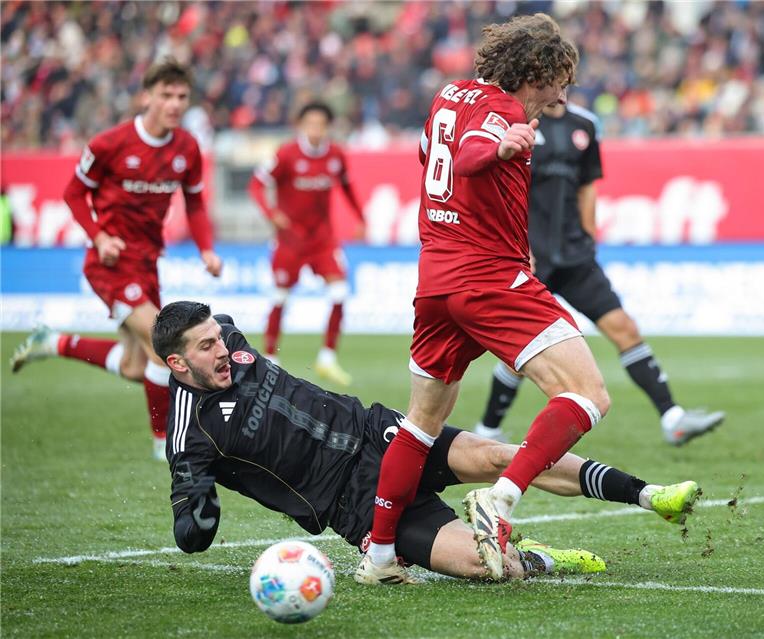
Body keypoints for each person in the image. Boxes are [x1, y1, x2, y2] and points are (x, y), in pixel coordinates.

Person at [359, 14, 694, 585]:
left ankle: (381, 556)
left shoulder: (448, 96)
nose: (562, 94)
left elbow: (432, 155)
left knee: (420, 424)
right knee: (587, 394)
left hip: (435, 281)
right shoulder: (505, 112)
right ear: (533, 72)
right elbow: (467, 157)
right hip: (487, 277)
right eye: (558, 80)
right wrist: (499, 147)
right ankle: (502, 499)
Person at [154, 300, 702, 583]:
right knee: (487, 568)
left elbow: (217, 326)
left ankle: (649, 495)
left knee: (499, 456)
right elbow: (191, 535)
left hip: (375, 431)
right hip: (350, 502)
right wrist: (197, 515)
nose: (222, 350)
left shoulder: (228, 337)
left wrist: (216, 330)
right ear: (177, 363)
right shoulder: (191, 436)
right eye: (205, 348)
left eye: (218, 337)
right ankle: (539, 559)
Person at [472, 101, 724, 446]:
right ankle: (487, 430)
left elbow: (587, 185)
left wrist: (589, 234)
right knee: (524, 353)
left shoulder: (584, 125)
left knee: (624, 328)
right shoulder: (521, 122)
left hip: (576, 257)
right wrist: (516, 245)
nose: (560, 86)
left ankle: (672, 417)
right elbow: (503, 189)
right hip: (532, 257)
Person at [10, 58, 222, 461]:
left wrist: (206, 248)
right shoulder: (110, 144)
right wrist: (99, 235)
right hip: (110, 262)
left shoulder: (187, 148)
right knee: (164, 345)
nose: (174, 104)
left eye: (181, 96)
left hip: (147, 263)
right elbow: (74, 193)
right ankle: (166, 444)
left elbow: (194, 202)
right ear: (147, 96)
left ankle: (53, 342)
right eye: (166, 95)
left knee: (133, 366)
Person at [248, 102, 365, 385]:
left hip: (322, 239)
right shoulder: (286, 153)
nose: (315, 129)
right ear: (301, 126)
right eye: (310, 123)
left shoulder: (335, 155)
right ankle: (270, 359)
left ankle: (327, 359)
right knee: (280, 297)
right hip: (290, 240)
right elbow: (256, 184)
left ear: (327, 127)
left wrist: (360, 217)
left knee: (339, 292)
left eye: (321, 124)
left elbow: (347, 186)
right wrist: (271, 213)